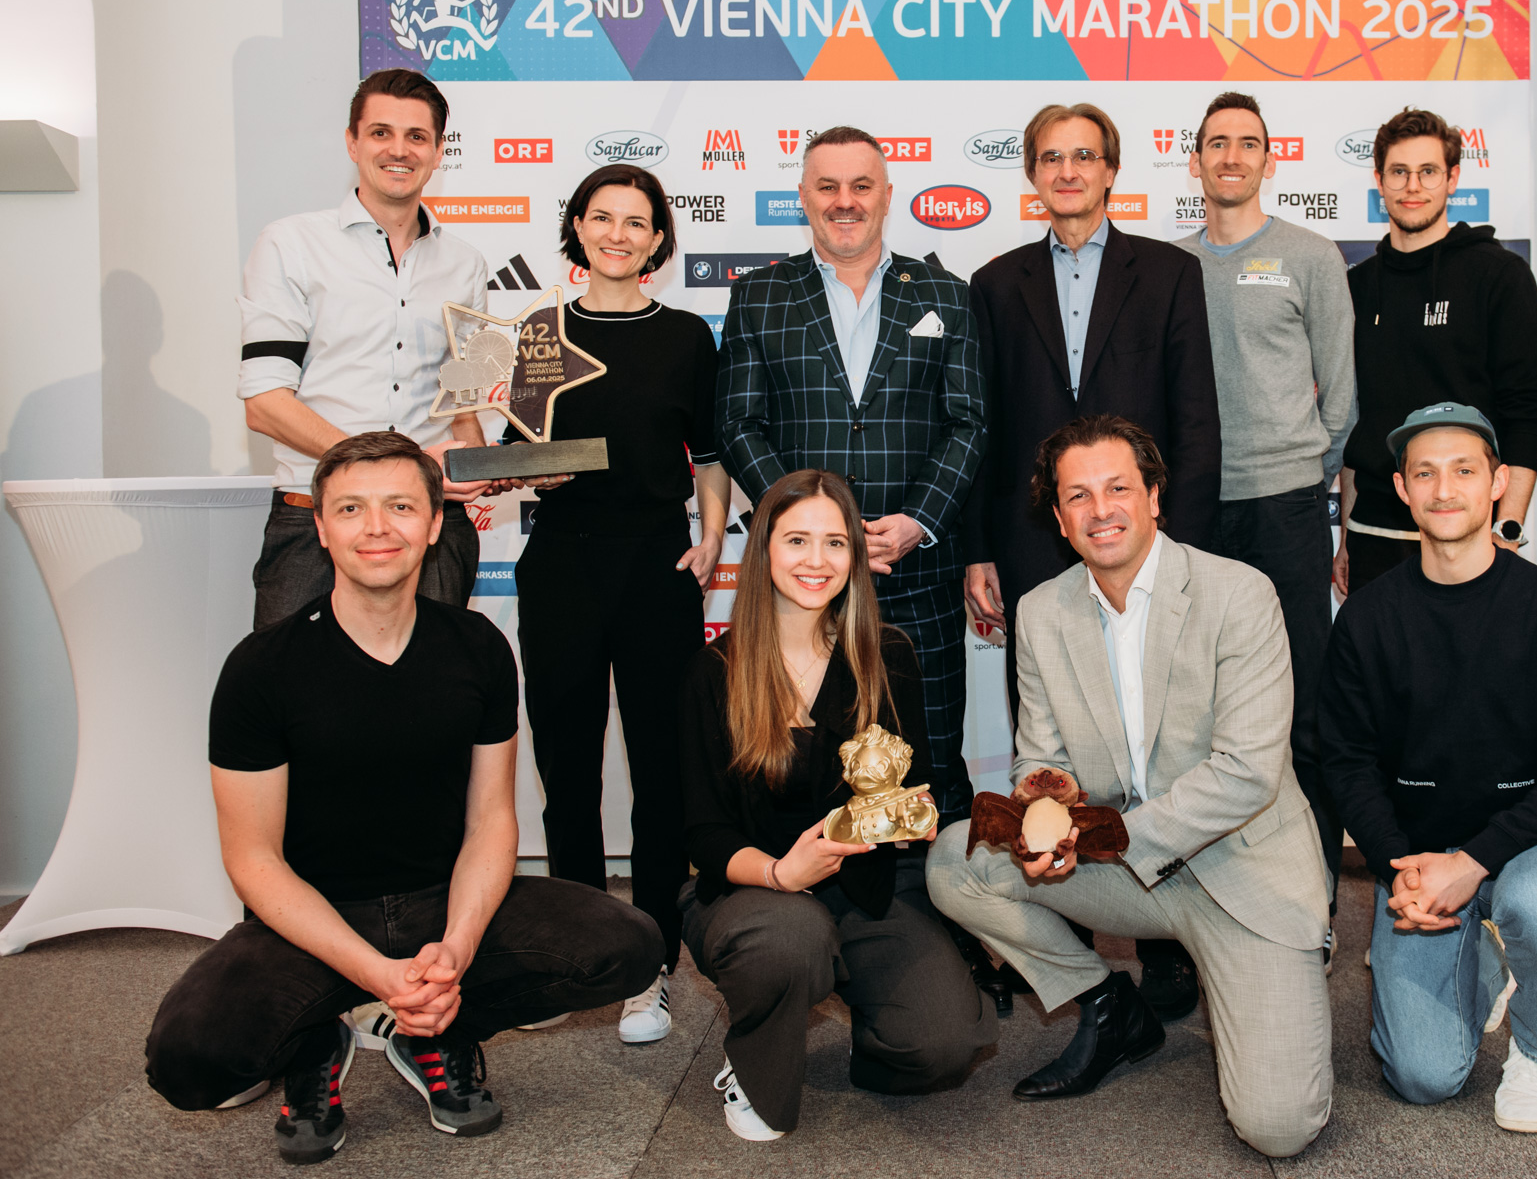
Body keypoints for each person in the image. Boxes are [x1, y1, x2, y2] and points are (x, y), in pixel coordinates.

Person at [144, 432, 662, 1166]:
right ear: (320, 528)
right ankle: (317, 1038)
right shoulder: (262, 668)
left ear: (431, 524)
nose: (377, 527)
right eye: (351, 509)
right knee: (187, 1061)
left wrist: (452, 953)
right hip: (313, 918)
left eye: (399, 506)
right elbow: (253, 860)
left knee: (630, 947)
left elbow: (490, 823)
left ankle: (434, 1026)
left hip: (438, 899)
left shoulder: (478, 646)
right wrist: (376, 974)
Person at [928, 415, 1331, 1160]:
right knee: (959, 858)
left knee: (1278, 1129)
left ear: (1155, 498)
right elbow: (1039, 761)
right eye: (1077, 495)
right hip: (1121, 870)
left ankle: (1261, 968)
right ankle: (1109, 1005)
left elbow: (1246, 774)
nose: (1100, 509)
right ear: (1058, 517)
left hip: (1242, 871)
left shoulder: (1239, 595)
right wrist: (1044, 809)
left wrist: (1098, 834)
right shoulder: (1042, 612)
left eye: (1118, 488)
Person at [964, 102, 1222, 1018]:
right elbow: (983, 430)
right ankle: (1057, 927)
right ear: (1032, 174)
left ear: (1112, 169)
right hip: (1033, 538)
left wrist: (1178, 537)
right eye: (1050, 158)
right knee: (1051, 737)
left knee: (1160, 728)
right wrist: (980, 550)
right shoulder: (994, 283)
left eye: (1085, 156)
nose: (1068, 171)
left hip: (1141, 535)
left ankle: (1174, 945)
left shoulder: (1170, 272)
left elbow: (1195, 416)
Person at [482, 163, 729, 1045]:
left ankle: (652, 963)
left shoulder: (688, 336)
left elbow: (708, 453)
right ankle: (580, 951)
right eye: (603, 218)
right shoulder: (536, 333)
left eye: (638, 221)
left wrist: (710, 535)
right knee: (567, 764)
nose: (619, 234)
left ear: (659, 239)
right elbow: (515, 455)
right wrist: (487, 459)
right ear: (577, 229)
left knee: (664, 769)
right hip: (562, 566)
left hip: (658, 565)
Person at [1318, 403, 1537, 1133]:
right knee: (1424, 1078)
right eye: (1426, 473)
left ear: (1497, 485)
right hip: (1418, 861)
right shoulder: (1366, 618)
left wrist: (1474, 863)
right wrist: (1399, 867)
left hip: (1527, 847)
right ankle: (1482, 963)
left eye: (1463, 471)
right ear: (1401, 489)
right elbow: (1345, 759)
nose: (1444, 489)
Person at [679, 469, 996, 1141]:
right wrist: (779, 874)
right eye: (797, 540)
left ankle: (859, 1018)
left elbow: (913, 788)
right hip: (750, 892)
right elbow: (703, 832)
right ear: (763, 549)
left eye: (835, 543)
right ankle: (758, 1050)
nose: (816, 561)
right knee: (792, 941)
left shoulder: (889, 658)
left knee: (948, 1043)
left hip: (867, 889)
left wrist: (915, 817)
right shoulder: (716, 672)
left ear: (856, 556)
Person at [716, 125, 986, 827]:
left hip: (915, 573)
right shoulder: (760, 297)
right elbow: (740, 424)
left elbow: (969, 423)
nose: (845, 201)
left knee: (932, 753)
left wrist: (918, 523)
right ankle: (806, 906)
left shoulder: (946, 294)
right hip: (800, 582)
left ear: (887, 196)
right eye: (828, 187)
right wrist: (810, 532)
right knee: (803, 757)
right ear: (803, 197)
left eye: (861, 186)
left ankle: (942, 915)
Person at [1174, 90, 1355, 946]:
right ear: (1196, 159)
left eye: (1248, 143)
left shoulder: (1311, 256)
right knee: (1197, 713)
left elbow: (1343, 395)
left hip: (1285, 506)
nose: (1232, 156)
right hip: (1193, 511)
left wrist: (1301, 468)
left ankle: (1311, 901)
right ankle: (1207, 901)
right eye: (1218, 143)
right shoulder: (1171, 267)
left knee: (1305, 712)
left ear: (1268, 159)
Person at [238, 68, 492, 630]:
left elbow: (461, 404)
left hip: (431, 528)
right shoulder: (291, 244)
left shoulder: (466, 264)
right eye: (380, 132)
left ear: (438, 151)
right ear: (352, 141)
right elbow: (264, 401)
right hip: (316, 526)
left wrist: (495, 461)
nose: (398, 150)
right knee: (295, 702)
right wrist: (391, 469)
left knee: (431, 706)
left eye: (416, 137)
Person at [1336, 107, 1537, 598]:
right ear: (1379, 180)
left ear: (1453, 178)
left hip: (1469, 536)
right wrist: (1347, 533)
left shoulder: (1500, 276)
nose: (1413, 186)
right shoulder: (1355, 286)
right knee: (1378, 675)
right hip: (1373, 535)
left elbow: (1525, 411)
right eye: (1399, 172)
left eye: (1428, 172)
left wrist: (1509, 528)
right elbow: (1355, 417)